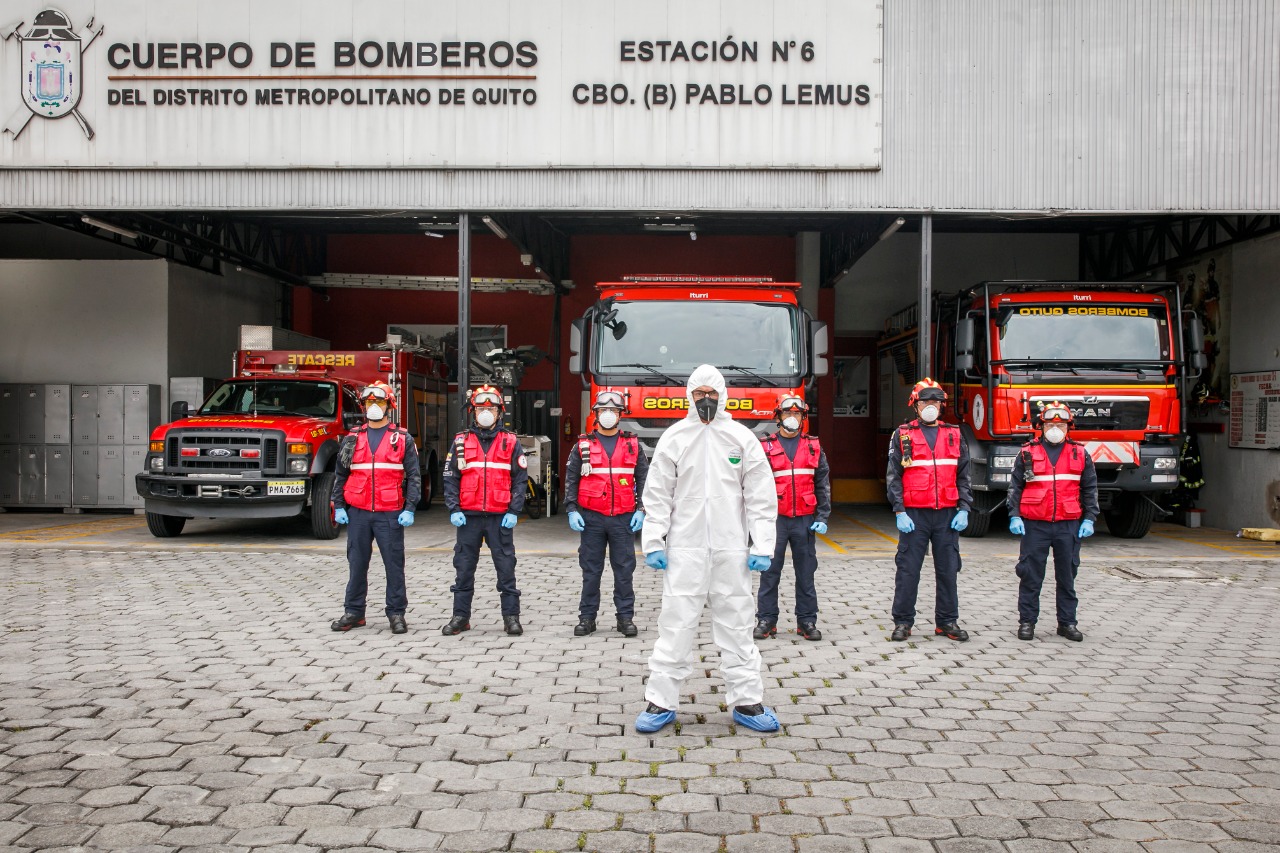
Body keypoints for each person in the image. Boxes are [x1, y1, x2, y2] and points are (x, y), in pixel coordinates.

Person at [636, 364, 780, 734]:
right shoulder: (675, 437)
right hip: (685, 549)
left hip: (731, 550)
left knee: (737, 624)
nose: (705, 401)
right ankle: (660, 701)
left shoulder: (740, 438)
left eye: (711, 394)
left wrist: (762, 544)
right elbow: (657, 494)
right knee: (676, 623)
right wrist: (654, 540)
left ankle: (747, 701)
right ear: (688, 396)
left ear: (723, 395)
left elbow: (761, 496)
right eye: (698, 394)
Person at [329, 381, 421, 635]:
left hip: (390, 512)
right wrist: (339, 506)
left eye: (379, 402)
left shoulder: (402, 438)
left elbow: (414, 475)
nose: (373, 406)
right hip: (358, 511)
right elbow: (340, 474)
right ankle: (354, 612)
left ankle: (396, 613)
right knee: (357, 564)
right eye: (369, 402)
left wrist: (410, 507)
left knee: (394, 565)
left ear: (389, 406)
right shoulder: (351, 438)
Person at [886, 378, 973, 643]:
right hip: (914, 515)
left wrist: (965, 508)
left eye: (935, 401)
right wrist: (899, 510)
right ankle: (903, 622)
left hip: (947, 514)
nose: (931, 406)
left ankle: (947, 621)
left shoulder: (955, 435)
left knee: (948, 570)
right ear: (915, 405)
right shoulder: (902, 435)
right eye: (925, 401)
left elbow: (964, 475)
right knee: (908, 570)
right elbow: (894, 476)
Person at [1007, 401, 1099, 642]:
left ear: (1069, 427)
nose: (1055, 428)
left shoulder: (1080, 453)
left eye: (1061, 424)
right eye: (1050, 424)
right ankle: (1027, 622)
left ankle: (1067, 623)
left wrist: (1090, 518)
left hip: (1068, 525)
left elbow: (1090, 489)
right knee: (1030, 576)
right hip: (1034, 524)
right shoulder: (1027, 452)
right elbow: (1015, 487)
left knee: (1067, 577)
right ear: (1041, 426)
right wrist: (1014, 514)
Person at [441, 385, 529, 637]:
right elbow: (450, 477)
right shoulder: (461, 441)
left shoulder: (510, 442)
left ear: (500, 412)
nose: (486, 412)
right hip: (467, 517)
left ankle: (511, 617)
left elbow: (520, 479)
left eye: (491, 408)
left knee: (506, 568)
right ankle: (460, 617)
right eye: (481, 408)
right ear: (473, 411)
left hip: (499, 518)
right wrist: (453, 508)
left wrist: (514, 510)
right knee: (464, 567)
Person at [565, 389, 649, 637]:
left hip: (623, 518)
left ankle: (625, 619)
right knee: (591, 571)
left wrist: (642, 509)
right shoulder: (582, 445)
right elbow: (571, 479)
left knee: (624, 572)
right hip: (592, 518)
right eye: (604, 410)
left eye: (613, 410)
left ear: (620, 414)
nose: (608, 415)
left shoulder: (633, 445)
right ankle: (587, 618)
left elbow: (645, 478)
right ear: (596, 414)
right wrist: (571, 509)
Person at [754, 396, 831, 641]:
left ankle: (807, 621)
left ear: (803, 418)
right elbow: (753, 486)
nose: (792, 418)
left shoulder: (813, 446)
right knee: (769, 572)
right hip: (774, 519)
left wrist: (823, 516)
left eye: (797, 414)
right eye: (787, 413)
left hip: (805, 520)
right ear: (777, 417)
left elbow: (822, 483)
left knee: (806, 573)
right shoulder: (764, 446)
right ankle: (766, 620)